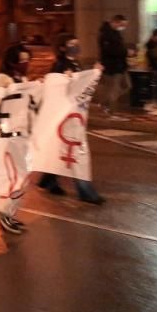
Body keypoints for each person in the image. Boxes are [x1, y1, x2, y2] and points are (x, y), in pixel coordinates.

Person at [37, 34, 105, 204]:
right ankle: (85, 190)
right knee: (75, 151)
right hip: (67, 117)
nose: (76, 46)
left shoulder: (75, 63)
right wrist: (92, 74)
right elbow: (62, 87)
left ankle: (48, 180)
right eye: (71, 44)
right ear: (62, 47)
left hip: (73, 115)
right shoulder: (60, 65)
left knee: (63, 149)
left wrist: (93, 74)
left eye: (77, 43)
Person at [0, 44, 32, 235]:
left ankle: (10, 213)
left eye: (26, 59)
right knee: (15, 177)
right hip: (8, 138)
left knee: (22, 177)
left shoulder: (23, 79)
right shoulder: (2, 79)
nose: (25, 63)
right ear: (11, 61)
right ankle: (4, 213)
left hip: (22, 135)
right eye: (21, 60)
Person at [97, 14, 130, 115]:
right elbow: (109, 51)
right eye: (122, 25)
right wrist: (126, 52)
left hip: (120, 65)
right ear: (116, 22)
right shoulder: (106, 34)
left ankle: (105, 103)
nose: (123, 27)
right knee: (114, 89)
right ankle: (112, 110)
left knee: (127, 86)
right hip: (112, 66)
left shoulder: (116, 33)